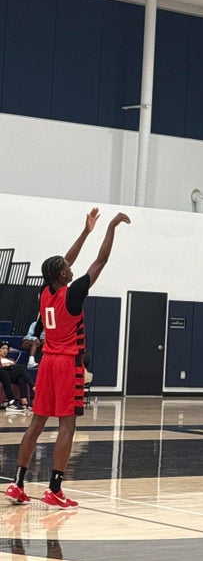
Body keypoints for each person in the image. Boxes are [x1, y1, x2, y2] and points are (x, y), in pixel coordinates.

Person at [5, 208, 131, 509]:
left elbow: (65, 261)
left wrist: (86, 231)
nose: (70, 267)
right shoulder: (72, 294)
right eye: (66, 267)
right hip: (66, 364)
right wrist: (111, 228)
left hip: (47, 362)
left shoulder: (45, 293)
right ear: (62, 275)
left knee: (36, 424)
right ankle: (55, 489)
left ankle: (17, 484)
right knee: (67, 426)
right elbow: (100, 260)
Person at [0, 342, 35, 410]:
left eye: (6, 349)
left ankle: (24, 400)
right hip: (2, 374)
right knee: (20, 370)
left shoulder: (11, 359)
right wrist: (4, 365)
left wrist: (10, 365)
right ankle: (11, 400)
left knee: (21, 377)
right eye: (3, 348)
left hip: (10, 374)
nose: (5, 350)